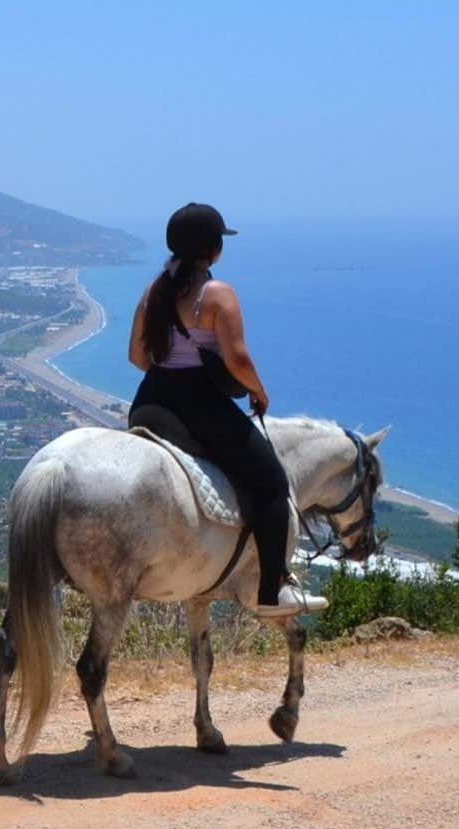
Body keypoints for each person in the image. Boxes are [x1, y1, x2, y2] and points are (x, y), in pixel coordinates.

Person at [124, 203, 324, 619]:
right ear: (213, 250)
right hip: (200, 405)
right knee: (271, 482)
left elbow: (137, 357)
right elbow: (238, 361)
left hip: (150, 402)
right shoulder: (217, 294)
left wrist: (171, 367)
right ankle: (272, 591)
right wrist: (260, 392)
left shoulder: (154, 291)